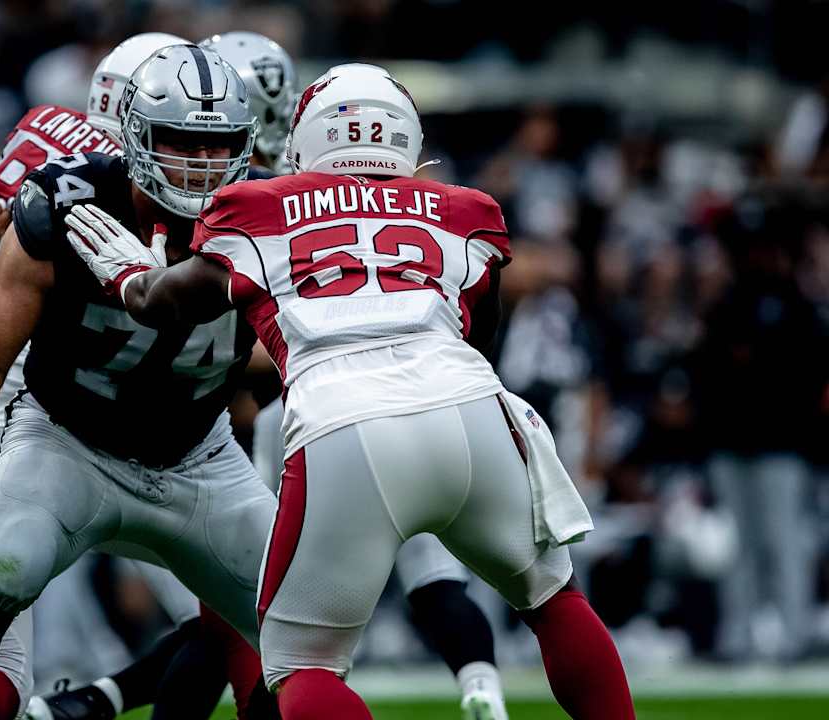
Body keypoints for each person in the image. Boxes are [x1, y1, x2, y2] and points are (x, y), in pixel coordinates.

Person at [63, 63, 636, 720]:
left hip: (342, 422)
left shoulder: (259, 205)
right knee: (555, 600)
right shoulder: (465, 211)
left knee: (301, 665)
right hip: (468, 405)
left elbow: (167, 305)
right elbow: (480, 335)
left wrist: (131, 278)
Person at [0, 45, 278, 720]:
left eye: (218, 144)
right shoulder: (65, 201)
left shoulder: (267, 216)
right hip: (67, 443)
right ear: (134, 137)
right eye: (181, 142)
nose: (202, 162)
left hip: (198, 457)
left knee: (300, 626)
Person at [204, 32, 510, 719]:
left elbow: (210, 333)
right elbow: (480, 318)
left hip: (319, 414)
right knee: (523, 590)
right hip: (444, 397)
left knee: (279, 635)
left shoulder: (253, 200)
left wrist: (138, 285)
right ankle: (482, 685)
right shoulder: (447, 202)